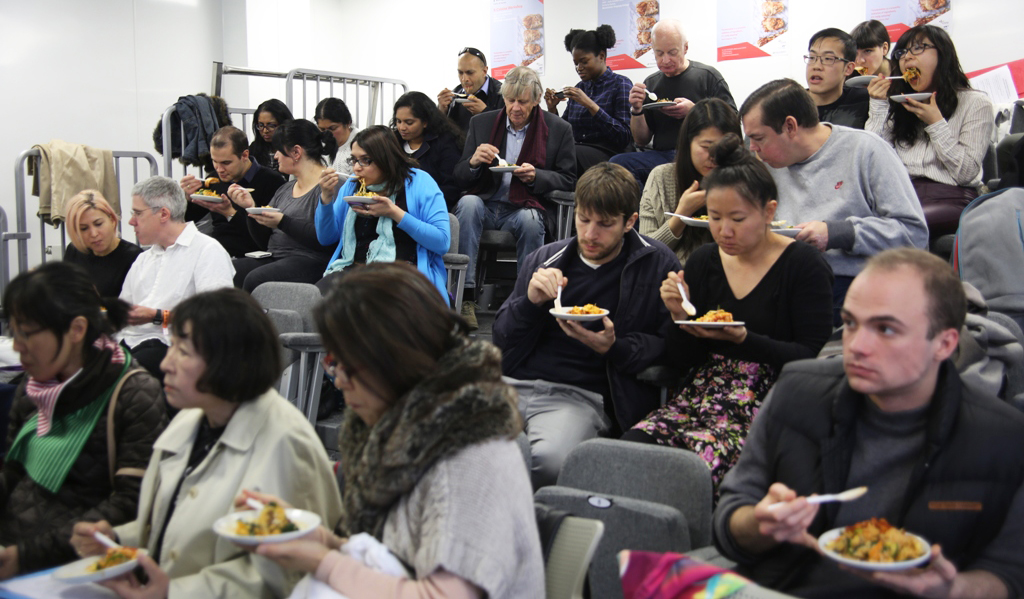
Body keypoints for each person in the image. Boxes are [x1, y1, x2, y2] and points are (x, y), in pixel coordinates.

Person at [713, 248, 1024, 599]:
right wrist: (760, 523)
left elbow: (1010, 575)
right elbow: (730, 522)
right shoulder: (797, 392)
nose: (856, 346)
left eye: (886, 329)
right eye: (849, 323)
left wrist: (950, 588)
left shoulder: (1003, 439)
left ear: (944, 343)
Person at [247, 262, 543, 598]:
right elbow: (394, 557)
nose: (339, 380)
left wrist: (325, 562)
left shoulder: (471, 454)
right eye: (333, 362)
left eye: (346, 364)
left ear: (392, 358)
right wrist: (318, 540)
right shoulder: (399, 425)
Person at [70, 288, 344, 599]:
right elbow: (173, 526)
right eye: (171, 348)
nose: (165, 364)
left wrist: (174, 592)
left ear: (228, 362)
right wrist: (115, 539)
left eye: (183, 352)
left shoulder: (286, 443)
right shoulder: (192, 420)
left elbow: (285, 576)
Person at [624, 134, 834, 495]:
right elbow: (684, 359)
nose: (723, 231)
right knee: (629, 454)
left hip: (770, 401)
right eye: (715, 217)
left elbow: (810, 359)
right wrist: (678, 315)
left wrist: (745, 341)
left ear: (769, 211)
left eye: (737, 218)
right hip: (702, 393)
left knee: (686, 477)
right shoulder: (706, 260)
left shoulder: (803, 265)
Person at [493, 162, 679, 488]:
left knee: (548, 464)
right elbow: (501, 339)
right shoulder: (545, 259)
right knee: (452, 448)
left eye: (605, 224)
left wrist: (615, 347)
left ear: (630, 222)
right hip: (510, 383)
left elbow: (669, 347)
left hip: (579, 395)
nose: (590, 234)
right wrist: (530, 303)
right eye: (583, 219)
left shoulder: (656, 263)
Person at [0, 262, 165, 581]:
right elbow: (14, 470)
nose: (17, 347)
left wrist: (25, 556)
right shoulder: (34, 384)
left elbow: (131, 503)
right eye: (13, 333)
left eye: (27, 334)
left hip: (75, 568)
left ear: (76, 330)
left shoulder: (133, 392)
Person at [740, 78, 928, 325]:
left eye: (759, 138)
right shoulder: (766, 165)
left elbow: (914, 235)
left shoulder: (866, 151)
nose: (753, 148)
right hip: (785, 282)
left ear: (790, 126)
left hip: (855, 285)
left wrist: (838, 233)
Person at [454, 66, 577, 329]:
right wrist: (474, 162)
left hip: (524, 205)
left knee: (532, 221)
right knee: (467, 202)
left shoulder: (559, 129)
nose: (515, 108)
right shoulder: (482, 123)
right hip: (485, 204)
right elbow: (460, 176)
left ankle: (527, 300)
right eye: (510, 100)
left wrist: (538, 176)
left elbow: (569, 179)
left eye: (522, 101)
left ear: (536, 99)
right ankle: (465, 297)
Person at [866, 25, 993, 239]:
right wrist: (878, 105)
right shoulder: (902, 103)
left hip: (952, 197)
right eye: (902, 52)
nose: (907, 58)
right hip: (903, 195)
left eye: (918, 48)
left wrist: (935, 123)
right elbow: (873, 158)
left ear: (943, 55)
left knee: (897, 227)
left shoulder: (975, 103)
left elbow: (966, 173)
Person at [119, 176, 234, 382]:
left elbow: (217, 319)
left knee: (117, 375)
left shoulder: (207, 251)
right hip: (134, 343)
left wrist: (157, 316)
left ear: (163, 214)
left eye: (137, 213)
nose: (131, 221)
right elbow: (122, 313)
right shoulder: (143, 259)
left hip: (176, 348)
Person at [317, 126, 450, 300]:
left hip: (403, 272)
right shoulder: (352, 186)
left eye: (365, 160)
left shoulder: (419, 182)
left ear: (386, 159)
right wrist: (326, 198)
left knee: (369, 302)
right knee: (317, 298)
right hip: (353, 268)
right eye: (354, 160)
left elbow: (441, 242)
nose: (357, 168)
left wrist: (394, 213)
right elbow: (326, 238)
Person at [611, 19, 736, 189]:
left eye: (672, 52)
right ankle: (645, 213)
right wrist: (637, 109)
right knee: (617, 165)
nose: (665, 60)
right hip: (662, 155)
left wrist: (694, 111)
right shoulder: (652, 84)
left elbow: (733, 124)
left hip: (700, 154)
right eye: (659, 53)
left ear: (685, 48)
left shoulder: (707, 76)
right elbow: (641, 140)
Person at [225, 120, 336, 292]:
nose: (275, 156)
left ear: (296, 152)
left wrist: (283, 221)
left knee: (256, 279)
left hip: (311, 259)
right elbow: (263, 242)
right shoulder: (285, 189)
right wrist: (251, 208)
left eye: (278, 150)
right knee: (227, 270)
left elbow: (326, 241)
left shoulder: (329, 186)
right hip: (275, 255)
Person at [639, 98, 741, 265]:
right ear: (688, 144)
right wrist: (681, 214)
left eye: (724, 148)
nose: (714, 156)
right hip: (673, 281)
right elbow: (645, 252)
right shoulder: (661, 178)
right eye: (706, 147)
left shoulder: (745, 181)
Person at [179, 126, 287, 257]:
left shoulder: (271, 181)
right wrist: (188, 198)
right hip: (217, 250)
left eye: (226, 163)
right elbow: (188, 219)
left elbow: (266, 238)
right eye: (214, 161)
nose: (220, 169)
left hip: (251, 254)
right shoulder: (214, 179)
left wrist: (230, 213)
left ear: (245, 155)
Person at [544, 25, 633, 173]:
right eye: (576, 63)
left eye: (584, 62)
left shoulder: (621, 84)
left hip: (609, 153)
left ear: (602, 56)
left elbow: (623, 136)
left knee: (566, 155)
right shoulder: (580, 88)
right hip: (578, 149)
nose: (579, 67)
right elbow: (563, 133)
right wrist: (552, 109)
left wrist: (590, 105)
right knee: (546, 152)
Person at [391, 91, 464, 210]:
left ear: (425, 122)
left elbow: (450, 188)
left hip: (430, 208)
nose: (402, 128)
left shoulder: (446, 143)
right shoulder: (393, 142)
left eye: (409, 123)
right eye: (398, 121)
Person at [62, 190, 142, 297]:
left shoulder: (134, 257)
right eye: (84, 228)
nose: (94, 234)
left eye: (98, 224)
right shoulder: (74, 251)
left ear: (112, 220)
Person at [805, 28, 869, 129]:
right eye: (812, 57)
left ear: (848, 68)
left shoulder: (863, 101)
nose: (816, 66)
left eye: (828, 59)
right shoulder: (790, 104)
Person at [437, 47, 505, 133]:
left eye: (470, 73)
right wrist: (440, 112)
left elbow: (509, 131)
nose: (464, 79)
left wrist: (485, 113)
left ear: (484, 71)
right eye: (460, 73)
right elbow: (442, 134)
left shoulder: (502, 94)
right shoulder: (454, 95)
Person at [315, 97, 361, 177]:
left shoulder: (362, 144)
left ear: (348, 123)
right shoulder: (315, 145)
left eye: (332, 128)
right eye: (322, 129)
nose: (327, 134)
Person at [249, 98, 294, 172]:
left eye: (271, 125)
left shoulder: (293, 149)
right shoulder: (254, 149)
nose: (265, 131)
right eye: (261, 125)